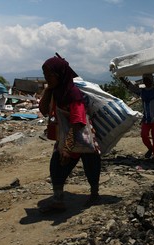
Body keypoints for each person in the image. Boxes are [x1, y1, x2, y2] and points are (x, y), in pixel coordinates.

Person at [39, 56, 102, 212]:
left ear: (60, 74)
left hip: (82, 135)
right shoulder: (56, 92)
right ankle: (58, 200)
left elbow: (78, 121)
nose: (47, 79)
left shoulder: (73, 94)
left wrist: (67, 147)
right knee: (56, 166)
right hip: (66, 135)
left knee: (91, 165)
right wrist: (48, 89)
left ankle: (95, 194)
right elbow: (43, 110)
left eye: (49, 75)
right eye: (45, 75)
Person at [120, 72, 154, 161]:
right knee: (144, 135)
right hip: (146, 119)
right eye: (144, 80)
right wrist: (121, 78)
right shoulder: (142, 91)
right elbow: (130, 87)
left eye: (147, 80)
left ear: (151, 80)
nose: (146, 82)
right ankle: (150, 149)